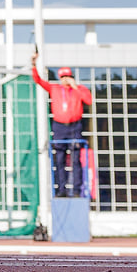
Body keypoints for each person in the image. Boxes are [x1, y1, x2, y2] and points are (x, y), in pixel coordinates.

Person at [31, 52, 91, 197]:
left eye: (68, 77)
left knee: (75, 159)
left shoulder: (79, 89)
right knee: (59, 159)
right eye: (63, 77)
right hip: (59, 127)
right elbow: (38, 80)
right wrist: (34, 64)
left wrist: (75, 87)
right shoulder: (55, 88)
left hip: (74, 126)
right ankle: (61, 190)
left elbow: (88, 100)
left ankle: (77, 190)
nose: (65, 80)